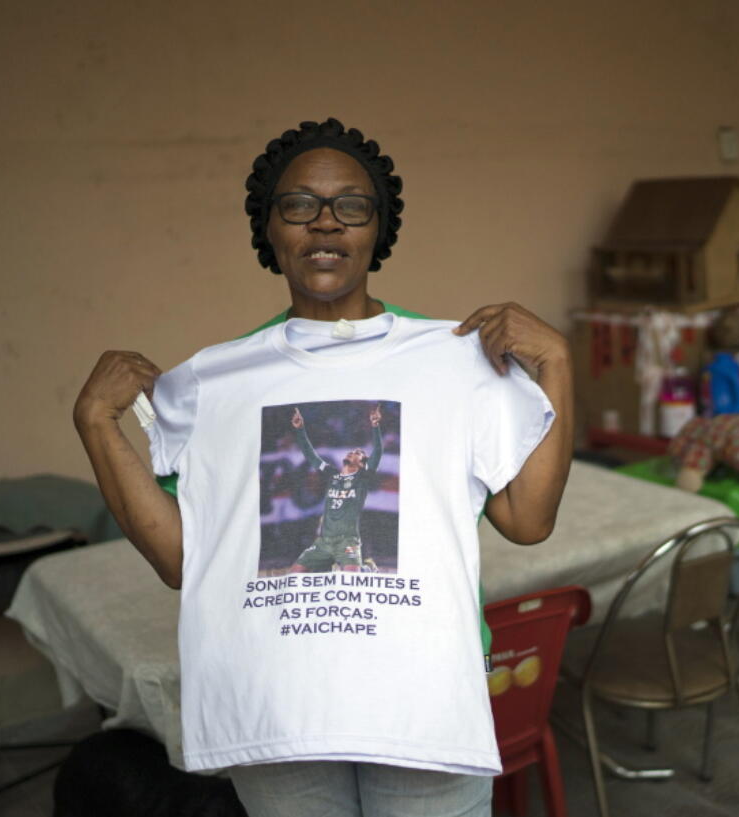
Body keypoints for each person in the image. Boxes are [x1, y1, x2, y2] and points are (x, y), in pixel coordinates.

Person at [73, 117, 574, 817]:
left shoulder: (455, 359)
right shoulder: (219, 380)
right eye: (299, 205)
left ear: (380, 228)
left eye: (352, 205)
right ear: (269, 228)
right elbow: (188, 560)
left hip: (421, 705)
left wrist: (557, 363)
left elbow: (530, 518)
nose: (327, 224)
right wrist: (97, 424)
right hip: (279, 710)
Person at [288, 403, 382, 573]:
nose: (351, 452)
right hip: (323, 541)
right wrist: (300, 429)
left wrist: (375, 426)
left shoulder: (362, 478)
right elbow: (310, 455)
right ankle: (329, 564)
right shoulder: (332, 475)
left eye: (357, 453)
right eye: (352, 450)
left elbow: (378, 452)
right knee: (294, 575)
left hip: (348, 541)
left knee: (351, 579)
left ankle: (367, 568)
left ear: (362, 464)